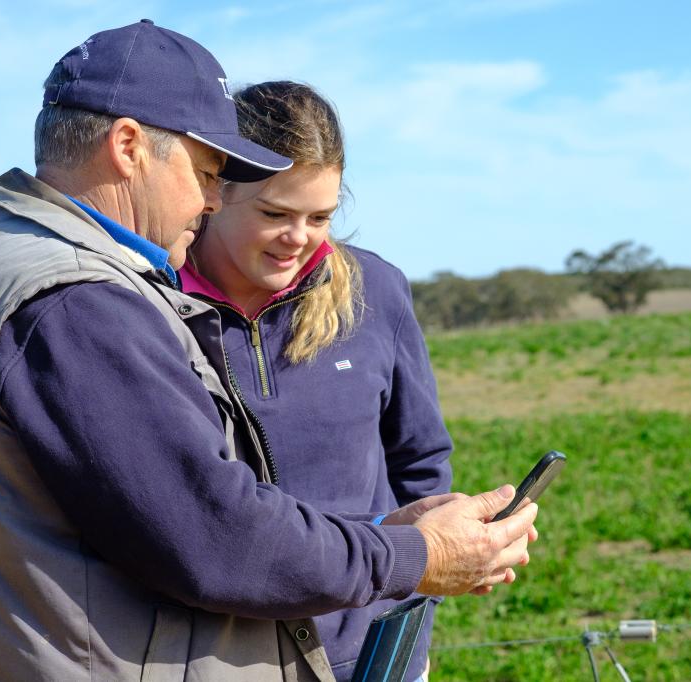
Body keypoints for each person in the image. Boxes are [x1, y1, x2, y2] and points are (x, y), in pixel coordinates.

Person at [0, 20, 538, 682]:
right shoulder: (79, 300)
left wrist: (394, 531)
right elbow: (218, 537)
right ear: (128, 146)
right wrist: (415, 556)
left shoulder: (20, 259)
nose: (211, 199)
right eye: (208, 171)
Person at [182, 81, 450, 681]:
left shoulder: (379, 291)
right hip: (225, 660)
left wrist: (413, 623)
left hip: (377, 654)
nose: (299, 238)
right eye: (275, 213)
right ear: (214, 194)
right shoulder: (155, 306)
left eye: (320, 217)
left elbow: (422, 465)